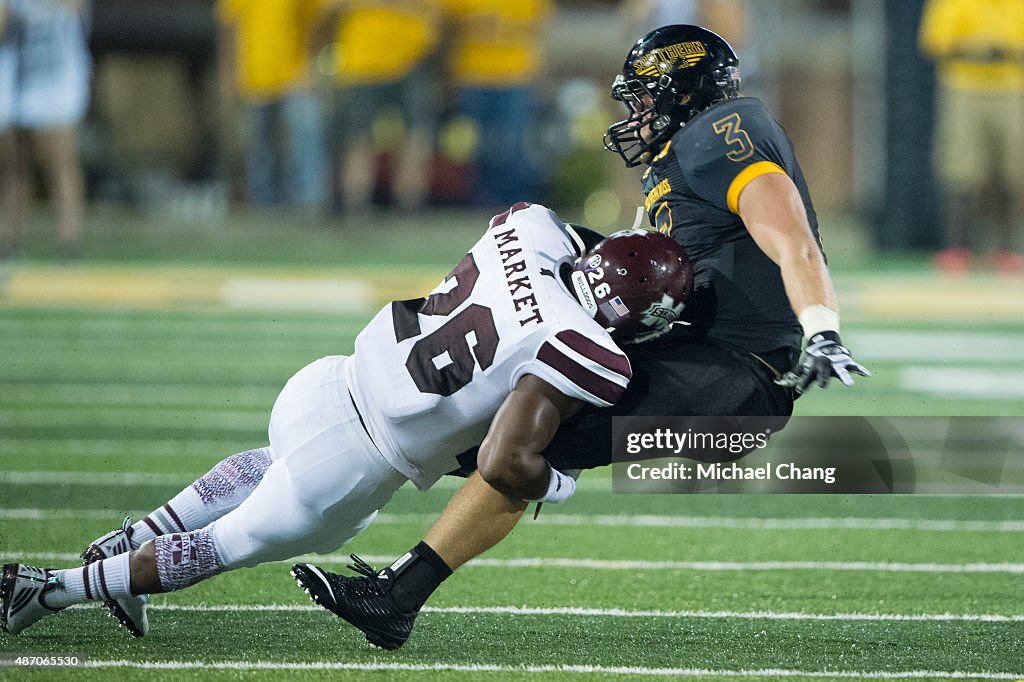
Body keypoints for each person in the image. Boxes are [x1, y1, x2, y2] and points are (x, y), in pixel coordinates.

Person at [296, 24, 869, 651]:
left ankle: (397, 590)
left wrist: (822, 327)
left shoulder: (719, 134)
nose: (637, 115)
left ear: (684, 93)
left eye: (646, 99)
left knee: (518, 443)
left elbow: (788, 232)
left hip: (736, 376)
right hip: (709, 354)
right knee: (522, 424)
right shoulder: (707, 139)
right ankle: (398, 592)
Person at [0, 202, 692, 639]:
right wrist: (559, 485)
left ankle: (125, 540)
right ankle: (51, 589)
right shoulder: (592, 349)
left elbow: (557, 255)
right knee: (225, 546)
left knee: (271, 465)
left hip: (328, 380)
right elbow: (505, 465)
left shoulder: (532, 225)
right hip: (359, 462)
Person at [918, 0, 1024, 276]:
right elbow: (934, 42)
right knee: (960, 168)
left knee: (1013, 167)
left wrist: (1000, 50)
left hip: (1012, 87)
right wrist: (978, 49)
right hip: (963, 86)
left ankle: (1008, 248)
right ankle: (957, 248)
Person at [323, 0, 442, 215]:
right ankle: (355, 210)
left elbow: (436, 11)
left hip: (412, 59)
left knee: (417, 138)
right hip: (363, 64)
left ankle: (409, 209)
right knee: (358, 139)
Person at [0, 0, 90, 260]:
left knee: (59, 156)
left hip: (56, 63)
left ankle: (69, 243)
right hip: (17, 65)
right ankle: (9, 241)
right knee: (14, 162)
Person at [217, 0, 328, 210]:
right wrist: (229, 73)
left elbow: (313, 21)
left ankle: (309, 203)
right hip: (254, 75)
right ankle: (264, 206)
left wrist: (309, 66)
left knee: (306, 139)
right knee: (261, 146)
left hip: (295, 76)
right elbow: (229, 27)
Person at [442, 0, 552, 207]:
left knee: (514, 141)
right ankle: (480, 200)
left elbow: (539, 33)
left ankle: (517, 203)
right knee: (478, 143)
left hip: (516, 75)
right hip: (474, 75)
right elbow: (446, 28)